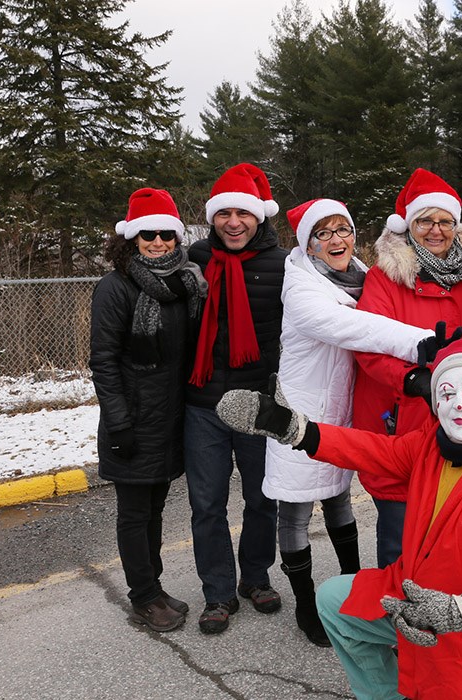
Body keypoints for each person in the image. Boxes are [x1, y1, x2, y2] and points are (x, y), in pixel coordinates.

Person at [215, 339, 462, 700]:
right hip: (405, 598)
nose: (459, 403)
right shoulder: (430, 445)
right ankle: (384, 694)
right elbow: (370, 449)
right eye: (446, 394)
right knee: (335, 602)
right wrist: (298, 430)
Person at [268, 198, 434, 646]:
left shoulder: (360, 274)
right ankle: (306, 605)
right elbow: (356, 328)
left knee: (339, 501)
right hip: (301, 411)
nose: (337, 239)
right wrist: (425, 342)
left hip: (340, 411)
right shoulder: (302, 290)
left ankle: (350, 587)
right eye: (324, 233)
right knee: (297, 510)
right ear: (309, 244)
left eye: (343, 228)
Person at [352, 167, 462, 568]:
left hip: (461, 420)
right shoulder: (385, 279)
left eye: (444, 221)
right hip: (401, 417)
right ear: (409, 226)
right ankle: (397, 622)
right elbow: (367, 344)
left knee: (456, 531)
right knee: (400, 538)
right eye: (425, 220)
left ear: (456, 226)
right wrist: (411, 378)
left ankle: (446, 617)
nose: (436, 230)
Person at [90, 187, 207, 632]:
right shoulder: (115, 287)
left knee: (155, 510)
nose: (158, 242)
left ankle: (153, 588)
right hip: (134, 421)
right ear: (130, 239)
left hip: (170, 418)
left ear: (177, 238)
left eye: (166, 235)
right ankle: (142, 597)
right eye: (147, 235)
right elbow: (103, 361)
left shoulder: (185, 284)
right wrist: (119, 421)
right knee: (135, 513)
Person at [184, 163, 288, 635]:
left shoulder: (283, 263)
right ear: (212, 218)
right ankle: (218, 591)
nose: (233, 222)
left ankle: (256, 577)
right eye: (223, 213)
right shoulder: (193, 259)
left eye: (242, 213)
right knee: (206, 504)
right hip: (202, 403)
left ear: (258, 218)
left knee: (261, 498)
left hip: (256, 403)